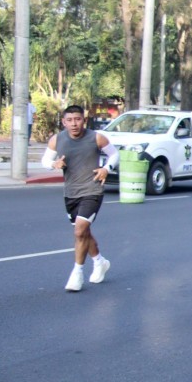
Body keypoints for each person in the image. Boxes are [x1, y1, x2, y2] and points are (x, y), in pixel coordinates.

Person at [41, 105, 119, 292]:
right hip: (71, 193)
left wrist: (106, 168)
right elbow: (45, 161)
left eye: (77, 119)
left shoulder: (96, 137)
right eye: (69, 120)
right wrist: (54, 164)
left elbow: (114, 154)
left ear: (84, 120)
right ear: (64, 122)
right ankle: (99, 261)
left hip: (92, 190)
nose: (74, 124)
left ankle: (77, 273)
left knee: (79, 231)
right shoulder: (57, 139)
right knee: (83, 232)